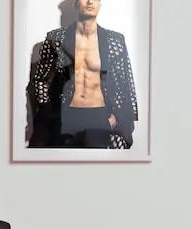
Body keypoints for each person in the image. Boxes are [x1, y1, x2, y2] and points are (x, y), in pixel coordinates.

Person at [27, 0, 138, 149]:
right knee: (64, 168)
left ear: (100, 4)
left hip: (100, 116)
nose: (90, 1)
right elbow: (40, 80)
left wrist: (117, 118)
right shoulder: (55, 39)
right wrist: (50, 113)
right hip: (67, 116)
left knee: (95, 169)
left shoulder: (114, 40)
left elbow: (124, 83)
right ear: (75, 3)